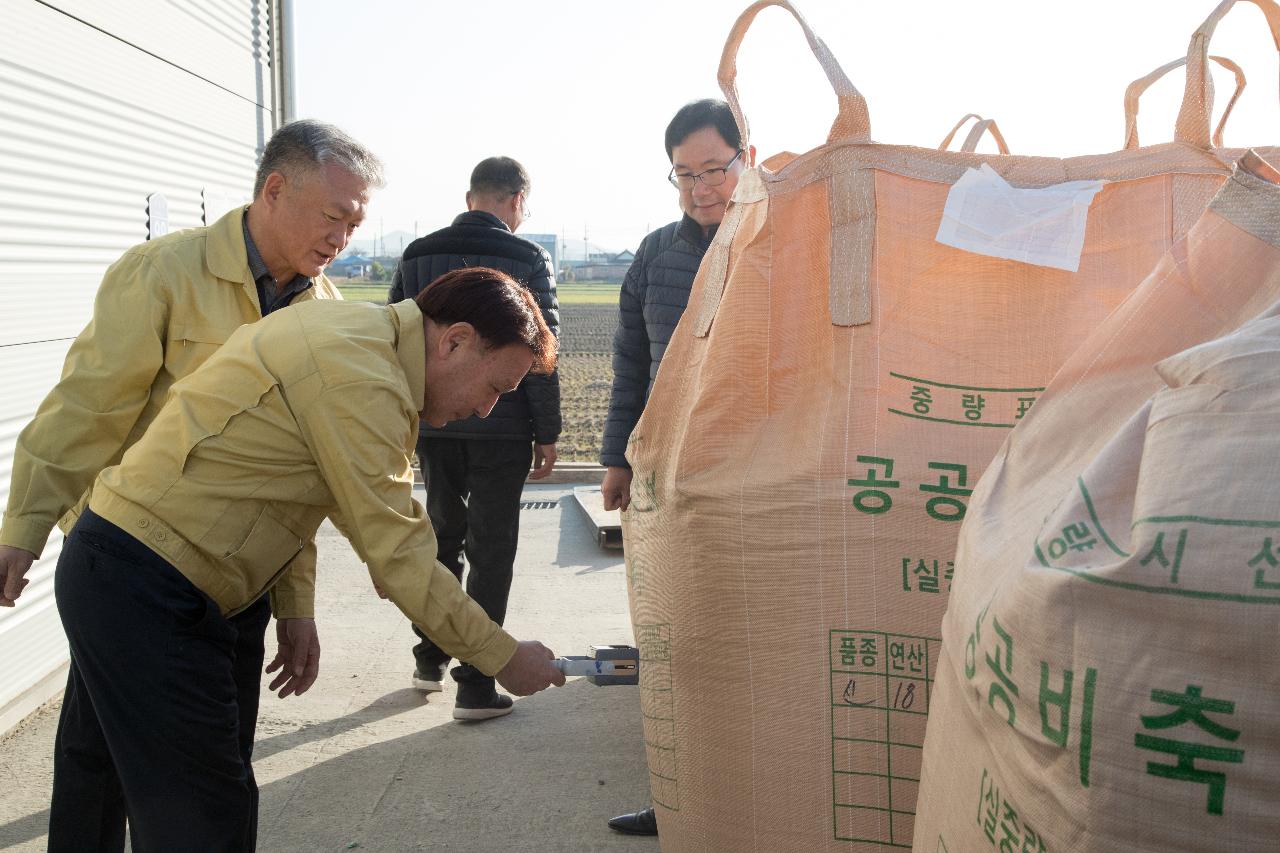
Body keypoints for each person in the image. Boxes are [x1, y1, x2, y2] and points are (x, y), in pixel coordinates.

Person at [32, 268, 567, 849]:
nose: (488, 410)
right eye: (495, 388)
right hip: (151, 585)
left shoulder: (350, 331)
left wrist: (295, 606)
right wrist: (500, 656)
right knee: (202, 815)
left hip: (124, 566)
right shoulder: (365, 379)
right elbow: (399, 555)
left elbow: (300, 491)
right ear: (455, 340)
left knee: (100, 775)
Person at [0, 118, 381, 851]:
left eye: (356, 223)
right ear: (275, 189)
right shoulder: (165, 273)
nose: (344, 238)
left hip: (235, 585)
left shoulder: (327, 318)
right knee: (102, 760)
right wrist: (26, 522)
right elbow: (88, 407)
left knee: (204, 759)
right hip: (133, 566)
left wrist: (294, 606)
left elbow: (300, 484)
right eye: (335, 215)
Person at [600, 99, 755, 837]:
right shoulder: (656, 253)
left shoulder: (777, 239)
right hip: (671, 472)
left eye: (715, 170)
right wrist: (616, 458)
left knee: (754, 638)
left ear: (746, 160)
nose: (701, 189)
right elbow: (632, 361)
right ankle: (680, 795)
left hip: (757, 471)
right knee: (674, 642)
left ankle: (766, 785)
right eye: (685, 175)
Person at [388, 156, 561, 720]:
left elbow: (397, 334)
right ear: (515, 201)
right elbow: (541, 350)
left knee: (440, 534)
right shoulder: (529, 258)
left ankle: (428, 658)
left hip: (433, 421)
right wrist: (547, 430)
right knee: (492, 548)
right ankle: (477, 684)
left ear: (470, 199)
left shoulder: (417, 254)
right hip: (503, 428)